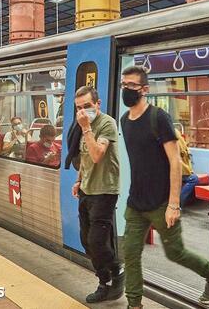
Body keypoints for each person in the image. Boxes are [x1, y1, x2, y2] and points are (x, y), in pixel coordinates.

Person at [119, 66, 209, 306]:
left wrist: (174, 204)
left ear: (144, 89)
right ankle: (134, 304)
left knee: (175, 253)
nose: (126, 90)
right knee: (130, 255)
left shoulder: (158, 118)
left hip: (162, 203)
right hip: (136, 203)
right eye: (123, 85)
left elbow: (175, 162)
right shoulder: (124, 120)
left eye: (131, 86)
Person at [70, 86, 124, 303]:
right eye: (79, 108)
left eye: (87, 106)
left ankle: (114, 274)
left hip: (105, 191)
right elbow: (84, 158)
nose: (83, 112)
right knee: (86, 240)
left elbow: (96, 155)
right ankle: (106, 279)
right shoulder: (85, 126)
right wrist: (78, 180)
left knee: (97, 242)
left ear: (98, 104)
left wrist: (85, 129)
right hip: (87, 190)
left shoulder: (106, 124)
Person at [176, 126, 200, 207]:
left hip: (180, 168)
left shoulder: (175, 136)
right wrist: (189, 170)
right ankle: (178, 202)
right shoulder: (176, 136)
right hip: (175, 170)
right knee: (194, 179)